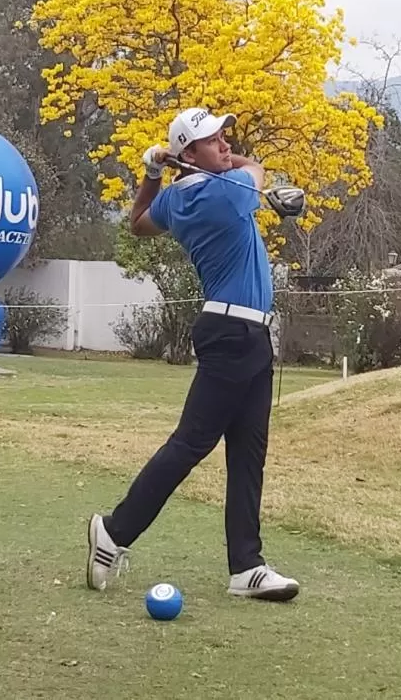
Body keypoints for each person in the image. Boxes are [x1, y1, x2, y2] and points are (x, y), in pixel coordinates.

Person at [85, 107, 300, 602]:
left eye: (225, 137)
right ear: (190, 153)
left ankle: (246, 566)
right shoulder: (221, 193)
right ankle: (114, 532)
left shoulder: (180, 195)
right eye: (212, 140)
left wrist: (154, 172)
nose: (225, 145)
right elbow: (257, 167)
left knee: (248, 455)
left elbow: (138, 221)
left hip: (249, 335)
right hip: (230, 332)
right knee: (190, 445)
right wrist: (191, 165)